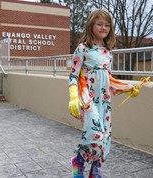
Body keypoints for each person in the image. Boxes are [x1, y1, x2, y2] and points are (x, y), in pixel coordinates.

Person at [68, 9, 139, 178]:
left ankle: (95, 171)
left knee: (105, 137)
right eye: (99, 24)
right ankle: (78, 162)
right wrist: (73, 97)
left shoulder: (108, 52)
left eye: (107, 25)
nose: (103, 28)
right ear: (91, 25)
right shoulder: (83, 48)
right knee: (94, 135)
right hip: (88, 100)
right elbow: (73, 75)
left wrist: (127, 87)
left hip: (104, 102)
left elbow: (108, 79)